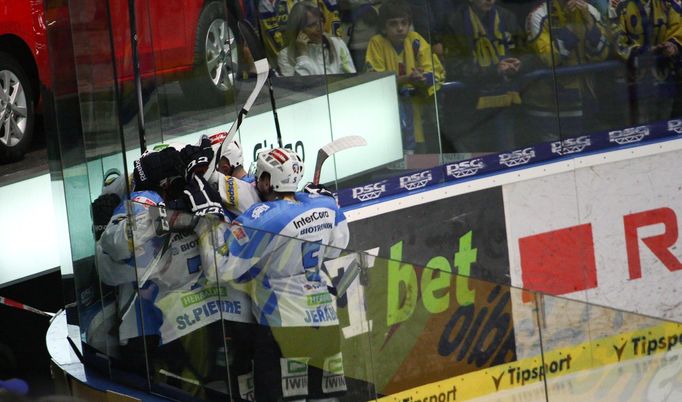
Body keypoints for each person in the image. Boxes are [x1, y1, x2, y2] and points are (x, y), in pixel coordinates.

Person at [95, 142, 254, 400]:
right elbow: (113, 249)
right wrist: (163, 217)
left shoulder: (203, 192)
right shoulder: (148, 203)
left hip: (215, 322)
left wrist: (207, 181)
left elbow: (254, 205)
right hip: (162, 330)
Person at [204, 147, 350, 401]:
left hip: (282, 326)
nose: (256, 178)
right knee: (321, 396)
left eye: (260, 175)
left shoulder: (265, 217)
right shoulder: (326, 205)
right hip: (324, 321)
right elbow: (338, 246)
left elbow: (221, 268)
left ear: (268, 181)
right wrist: (316, 199)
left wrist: (207, 227)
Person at [439, 0, 526, 153]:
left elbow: (527, 53)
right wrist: (494, 70)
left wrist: (519, 64)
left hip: (505, 104)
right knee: (474, 160)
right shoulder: (453, 21)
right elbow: (454, 66)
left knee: (506, 156)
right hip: (467, 109)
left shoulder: (507, 17)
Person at [365, 0, 445, 154]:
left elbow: (436, 71)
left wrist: (423, 78)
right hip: (389, 114)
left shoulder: (415, 39)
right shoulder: (376, 43)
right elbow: (375, 81)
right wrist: (406, 79)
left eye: (404, 23)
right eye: (393, 24)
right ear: (383, 27)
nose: (400, 28)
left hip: (418, 112)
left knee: (422, 155)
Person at [524, 0, 609, 139]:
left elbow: (601, 54)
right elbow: (550, 59)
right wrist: (568, 27)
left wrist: (590, 25)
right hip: (551, 107)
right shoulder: (538, 16)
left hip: (587, 98)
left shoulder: (590, 12)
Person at [611, 0, 682, 123]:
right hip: (632, 81)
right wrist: (644, 52)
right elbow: (617, 42)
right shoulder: (619, 5)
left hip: (663, 78)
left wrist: (673, 45)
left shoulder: (668, 4)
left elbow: (678, 28)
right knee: (637, 127)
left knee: (664, 127)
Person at [278, 1, 357, 76]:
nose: (319, 28)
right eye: (312, 25)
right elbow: (299, 87)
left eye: (321, 21)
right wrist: (302, 56)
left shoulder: (337, 44)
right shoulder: (285, 56)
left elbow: (351, 78)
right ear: (298, 30)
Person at [259, 0, 343, 65]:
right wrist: (287, 59)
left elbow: (332, 29)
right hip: (291, 58)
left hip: (324, 55)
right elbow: (272, 39)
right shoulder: (269, 3)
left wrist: (332, 52)